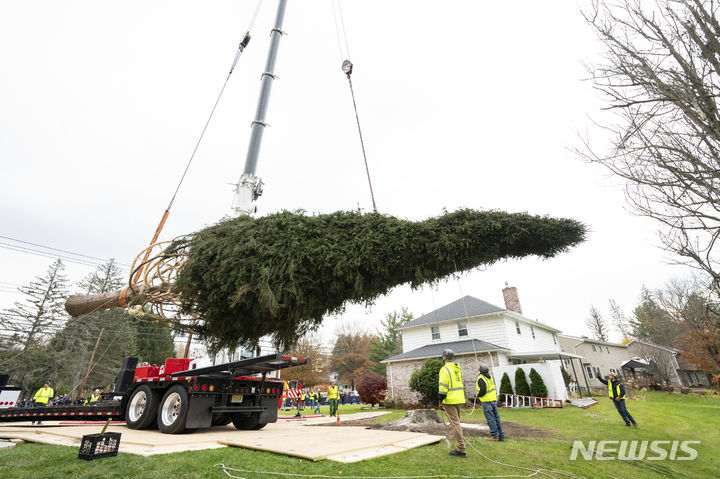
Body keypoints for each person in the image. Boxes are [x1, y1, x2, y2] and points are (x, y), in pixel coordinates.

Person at [438, 349, 467, 457]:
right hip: (459, 399)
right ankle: (458, 446)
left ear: (443, 358)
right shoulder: (457, 369)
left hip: (450, 400)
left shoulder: (444, 369)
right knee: (456, 423)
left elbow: (443, 386)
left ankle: (461, 449)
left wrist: (441, 399)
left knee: (455, 424)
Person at [476, 364, 505, 441]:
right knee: (496, 418)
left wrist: (477, 395)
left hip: (486, 401)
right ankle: (501, 436)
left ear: (480, 371)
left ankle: (494, 436)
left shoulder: (481, 378)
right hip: (493, 400)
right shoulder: (490, 377)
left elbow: (483, 391)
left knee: (491, 419)